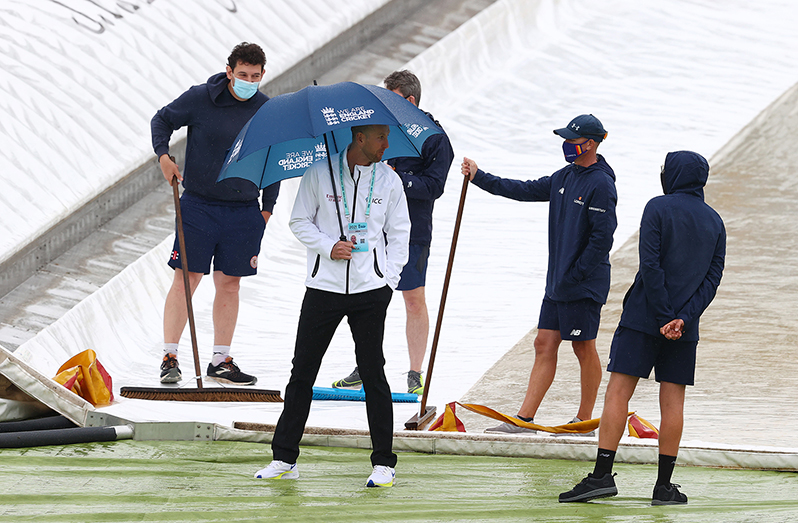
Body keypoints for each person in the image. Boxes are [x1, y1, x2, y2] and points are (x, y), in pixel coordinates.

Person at [559, 150, 725, 505]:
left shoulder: (657, 207)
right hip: (685, 327)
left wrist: (664, 315)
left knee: (619, 391)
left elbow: (650, 265)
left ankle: (602, 476)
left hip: (643, 317)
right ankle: (664, 487)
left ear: (674, 175)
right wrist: (682, 318)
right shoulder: (715, 222)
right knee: (673, 402)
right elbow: (712, 280)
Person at [254, 124, 410, 487]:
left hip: (371, 290)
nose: (387, 144)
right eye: (380, 138)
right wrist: (328, 245)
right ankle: (284, 458)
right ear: (360, 139)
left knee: (373, 372)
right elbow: (298, 221)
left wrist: (389, 280)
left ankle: (384, 462)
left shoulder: (389, 180)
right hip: (322, 287)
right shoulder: (319, 173)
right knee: (303, 371)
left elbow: (401, 233)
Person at [461, 114, 617, 434]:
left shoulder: (601, 183)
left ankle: (584, 420)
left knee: (582, 347)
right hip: (558, 283)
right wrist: (480, 177)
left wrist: (575, 275)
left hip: (583, 284)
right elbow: (523, 189)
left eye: (571, 140)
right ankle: (525, 420)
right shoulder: (564, 177)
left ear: (590, 143)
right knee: (544, 343)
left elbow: (603, 238)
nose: (566, 145)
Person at [150, 42, 280, 385]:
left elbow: (274, 162)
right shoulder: (200, 98)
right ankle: (170, 356)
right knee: (187, 277)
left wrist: (267, 209)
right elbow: (162, 120)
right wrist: (164, 157)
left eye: (255, 76)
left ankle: (220, 360)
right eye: (242, 75)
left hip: (243, 211)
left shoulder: (266, 110)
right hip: (199, 205)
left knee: (230, 284)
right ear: (229, 72)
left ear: (263, 75)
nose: (248, 80)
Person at [332, 70, 454, 395]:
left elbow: (434, 187)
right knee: (366, 299)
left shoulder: (434, 138)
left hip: (412, 232)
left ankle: (415, 372)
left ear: (410, 101)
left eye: (393, 99)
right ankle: (365, 364)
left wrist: (398, 178)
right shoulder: (377, 130)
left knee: (413, 300)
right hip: (371, 228)